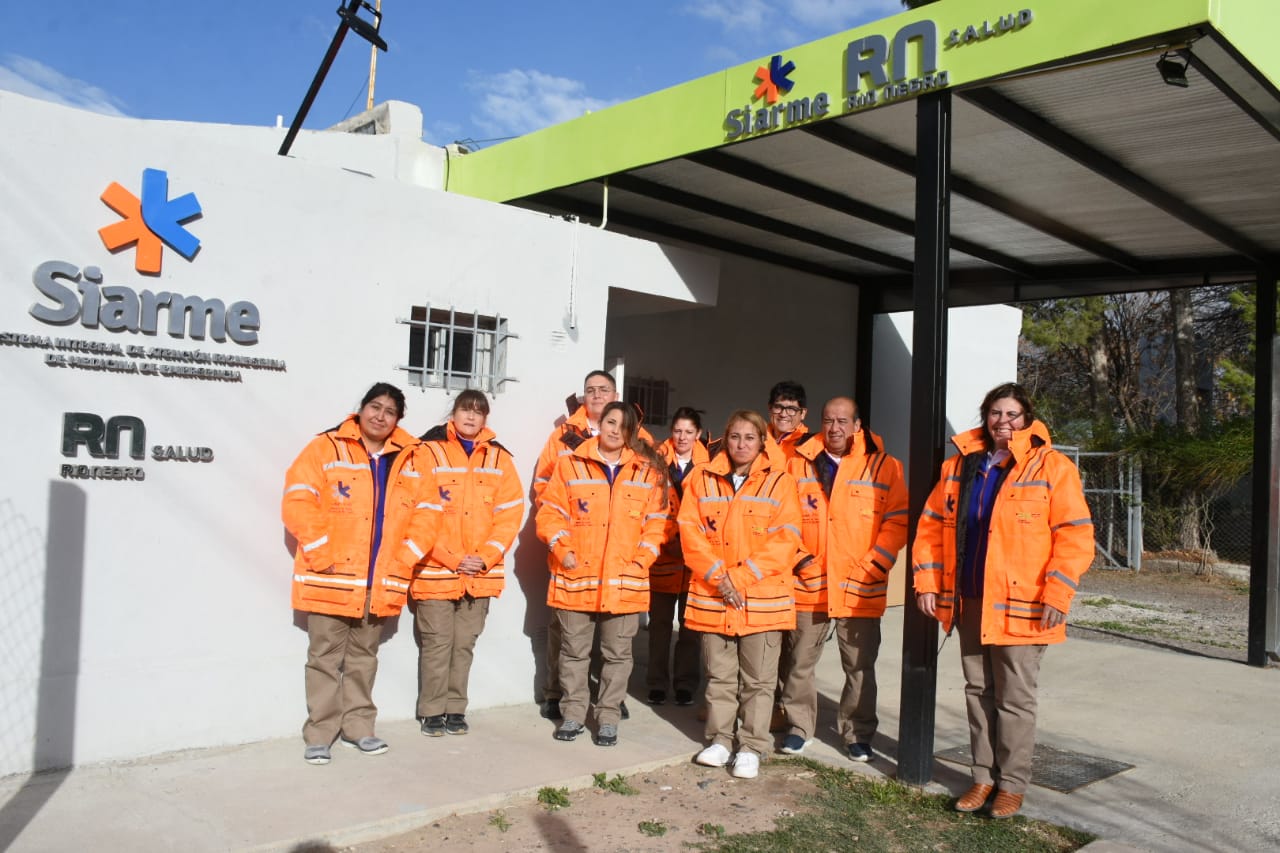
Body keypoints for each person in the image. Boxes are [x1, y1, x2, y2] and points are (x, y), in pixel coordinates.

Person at [914, 382, 1094, 819]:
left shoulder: (1053, 468)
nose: (1002, 422)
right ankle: (982, 778)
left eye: (1011, 414)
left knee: (1014, 698)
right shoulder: (960, 467)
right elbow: (932, 527)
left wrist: (1058, 592)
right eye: (995, 413)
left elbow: (1074, 536)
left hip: (1025, 604)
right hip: (970, 598)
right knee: (978, 691)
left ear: (1027, 418)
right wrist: (927, 582)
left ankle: (1011, 785)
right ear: (985, 416)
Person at [282, 382, 437, 765]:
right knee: (323, 657)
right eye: (374, 406)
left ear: (397, 420)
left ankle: (359, 728)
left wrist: (405, 559)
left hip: (380, 581)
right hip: (330, 578)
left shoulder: (415, 458)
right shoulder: (326, 447)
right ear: (361, 408)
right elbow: (298, 499)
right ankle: (320, 733)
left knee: (364, 657)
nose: (380, 416)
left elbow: (428, 515)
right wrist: (320, 552)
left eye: (389, 411)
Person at [779, 397, 908, 761]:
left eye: (842, 421)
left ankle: (857, 733)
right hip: (810, 582)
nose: (834, 428)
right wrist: (801, 560)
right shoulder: (796, 464)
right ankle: (798, 727)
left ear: (857, 425)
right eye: (828, 420)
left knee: (859, 666)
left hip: (860, 585)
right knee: (799, 661)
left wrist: (876, 565)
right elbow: (783, 520)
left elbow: (897, 520)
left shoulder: (885, 467)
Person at [536, 401, 670, 747]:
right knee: (574, 653)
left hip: (625, 581)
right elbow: (549, 514)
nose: (615, 430)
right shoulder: (570, 464)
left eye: (623, 426)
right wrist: (563, 552)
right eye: (610, 422)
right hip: (575, 578)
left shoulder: (646, 471)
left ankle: (608, 717)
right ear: (599, 423)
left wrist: (642, 560)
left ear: (632, 433)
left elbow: (657, 524)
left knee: (617, 656)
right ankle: (573, 715)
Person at [679, 410, 801, 779]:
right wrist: (720, 577)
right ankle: (719, 740)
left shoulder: (780, 482)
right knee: (719, 676)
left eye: (750, 437)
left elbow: (787, 537)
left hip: (760, 598)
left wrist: (742, 578)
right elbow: (690, 530)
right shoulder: (702, 478)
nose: (742, 444)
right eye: (735, 436)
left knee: (760, 680)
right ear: (725, 439)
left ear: (762, 441)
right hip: (714, 594)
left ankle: (751, 745)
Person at [410, 390, 524, 737]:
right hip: (435, 569)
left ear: (485, 419)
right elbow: (414, 510)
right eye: (465, 410)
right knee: (437, 643)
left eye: (478, 412)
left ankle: (455, 708)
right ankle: (431, 711)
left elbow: (510, 514)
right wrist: (451, 557)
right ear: (454, 413)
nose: (471, 417)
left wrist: (485, 557)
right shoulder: (428, 452)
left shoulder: (499, 459)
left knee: (463, 644)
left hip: (479, 573)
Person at [646, 406, 709, 707]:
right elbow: (648, 506)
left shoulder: (710, 464)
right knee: (658, 627)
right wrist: (667, 541)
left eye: (688, 432)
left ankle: (685, 684)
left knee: (690, 628)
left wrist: (688, 544)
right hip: (662, 556)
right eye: (678, 431)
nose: (682, 437)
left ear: (698, 434)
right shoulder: (655, 459)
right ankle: (657, 683)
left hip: (694, 559)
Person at [766, 380, 810, 460]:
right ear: (770, 409)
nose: (783, 414)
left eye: (791, 409)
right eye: (778, 407)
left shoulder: (810, 446)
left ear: (803, 413)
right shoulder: (755, 441)